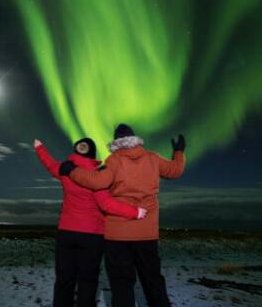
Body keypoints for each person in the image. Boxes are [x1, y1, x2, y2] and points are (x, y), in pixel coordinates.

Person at [59, 124, 186, 307]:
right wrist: (179, 152)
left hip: (117, 235)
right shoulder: (153, 158)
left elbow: (96, 182)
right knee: (153, 280)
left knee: (121, 283)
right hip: (146, 232)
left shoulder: (114, 160)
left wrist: (71, 170)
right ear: (134, 139)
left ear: (116, 142)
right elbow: (176, 170)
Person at [34, 137, 147, 307]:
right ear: (93, 154)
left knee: (64, 279)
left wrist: (40, 148)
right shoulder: (97, 175)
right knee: (87, 280)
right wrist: (135, 211)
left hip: (66, 233)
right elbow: (106, 204)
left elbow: (50, 164)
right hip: (92, 236)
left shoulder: (65, 170)